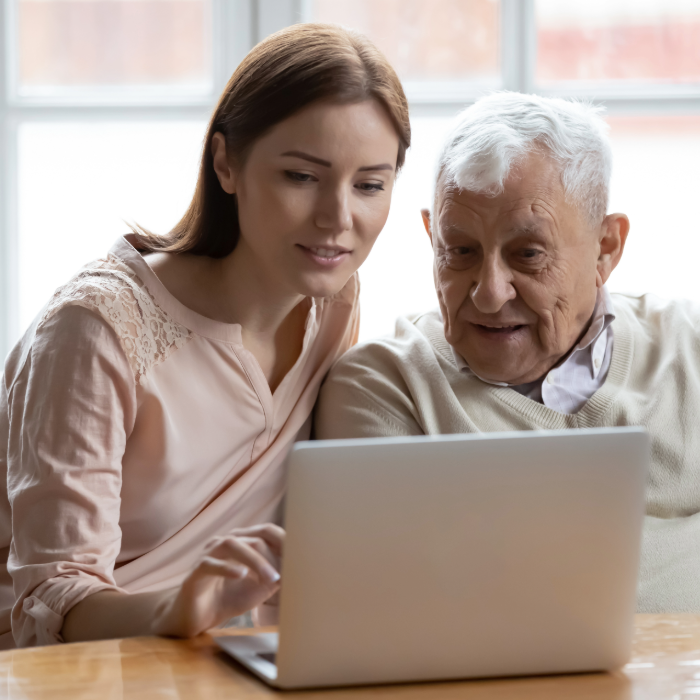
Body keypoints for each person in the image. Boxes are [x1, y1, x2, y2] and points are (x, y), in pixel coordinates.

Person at [0, 23, 410, 648]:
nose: (338, 218)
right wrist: (177, 610)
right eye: (302, 176)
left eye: (370, 185)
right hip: (76, 667)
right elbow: (51, 598)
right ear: (226, 163)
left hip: (225, 654)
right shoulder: (94, 331)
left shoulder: (332, 302)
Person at [316, 91, 700, 614]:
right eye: (461, 251)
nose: (489, 292)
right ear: (432, 239)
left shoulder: (689, 345)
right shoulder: (386, 386)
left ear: (606, 248)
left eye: (528, 254)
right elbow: (400, 610)